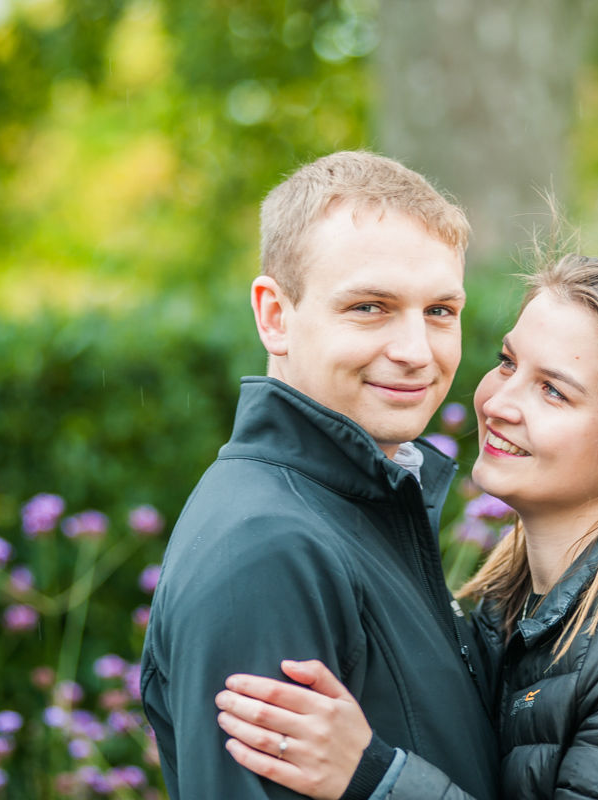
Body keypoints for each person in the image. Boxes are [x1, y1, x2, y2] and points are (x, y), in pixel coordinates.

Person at [213, 255, 598, 798]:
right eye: (507, 364)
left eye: (553, 391)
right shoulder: (505, 613)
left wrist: (373, 778)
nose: (498, 403)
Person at [140, 151, 499, 799]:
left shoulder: (363, 505)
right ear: (275, 316)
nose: (417, 352)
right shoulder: (268, 549)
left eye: (440, 311)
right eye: (370, 307)